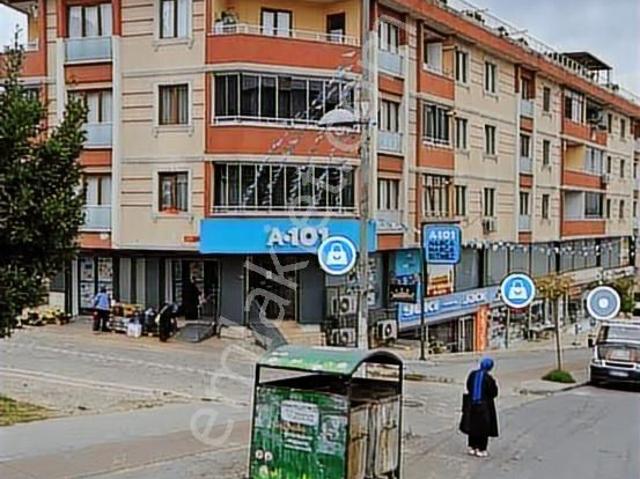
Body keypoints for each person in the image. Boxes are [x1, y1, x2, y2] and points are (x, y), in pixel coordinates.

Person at [460, 357, 499, 457]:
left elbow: (468, 386)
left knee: (472, 426)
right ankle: (481, 449)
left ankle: (472, 447)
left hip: (471, 404)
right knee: (483, 428)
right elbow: (493, 392)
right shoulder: (488, 378)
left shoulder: (473, 374)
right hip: (484, 406)